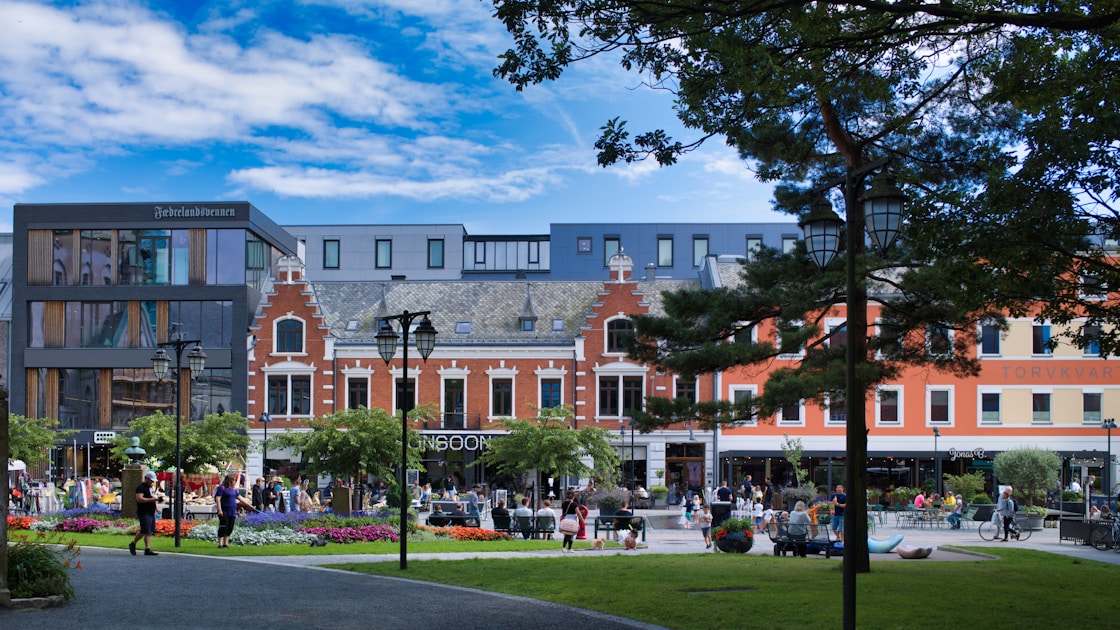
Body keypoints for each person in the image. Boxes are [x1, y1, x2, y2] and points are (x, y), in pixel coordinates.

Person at [215, 473, 253, 548]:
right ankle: (220, 543)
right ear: (229, 481)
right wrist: (219, 510)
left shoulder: (234, 490)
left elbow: (240, 498)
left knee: (230, 527)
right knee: (224, 526)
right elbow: (218, 499)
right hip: (224, 510)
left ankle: (226, 543)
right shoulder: (222, 488)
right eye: (234, 480)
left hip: (232, 511)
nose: (235, 482)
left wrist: (249, 505)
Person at [129, 471, 160, 556]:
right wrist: (152, 500)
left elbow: (153, 497)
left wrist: (156, 508)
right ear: (147, 479)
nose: (152, 482)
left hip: (151, 511)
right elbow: (139, 499)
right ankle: (133, 543)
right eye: (151, 480)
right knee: (144, 530)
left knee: (149, 531)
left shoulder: (150, 488)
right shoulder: (141, 487)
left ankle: (147, 548)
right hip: (144, 511)